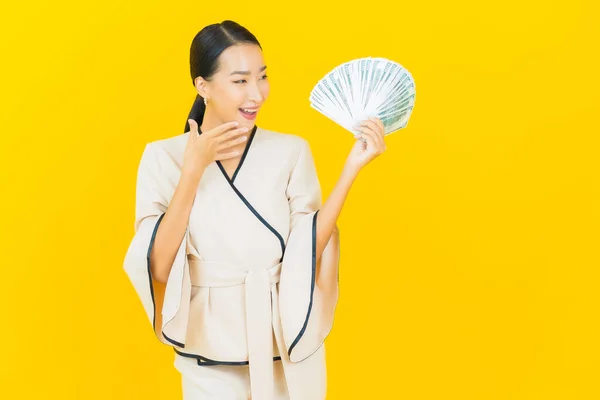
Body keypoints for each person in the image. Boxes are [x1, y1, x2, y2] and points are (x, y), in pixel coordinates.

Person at [123, 20, 387, 400]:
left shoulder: (291, 151)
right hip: (209, 354)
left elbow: (307, 251)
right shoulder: (163, 158)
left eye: (262, 77)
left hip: (286, 347)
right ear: (203, 86)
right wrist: (194, 168)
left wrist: (351, 169)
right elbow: (160, 267)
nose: (257, 94)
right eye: (241, 81)